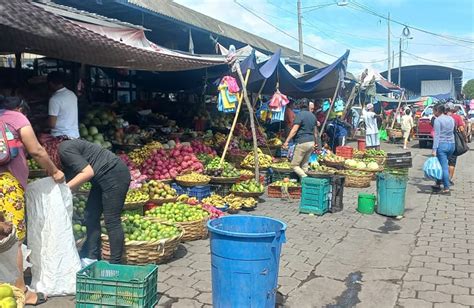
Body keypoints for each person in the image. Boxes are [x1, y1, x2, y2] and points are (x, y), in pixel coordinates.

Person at [0, 96, 64, 305]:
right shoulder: (16, 117)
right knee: (12, 238)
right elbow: (36, 150)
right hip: (7, 185)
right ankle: (21, 291)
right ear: (20, 109)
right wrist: (54, 171)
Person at [58, 139, 130, 265]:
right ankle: (92, 257)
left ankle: (115, 264)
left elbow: (88, 173)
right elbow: (75, 181)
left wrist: (64, 190)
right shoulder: (65, 153)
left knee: (112, 220)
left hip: (115, 174)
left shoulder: (65, 150)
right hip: (101, 178)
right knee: (90, 216)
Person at [282, 99, 318, 178]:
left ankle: (306, 178)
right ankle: (304, 186)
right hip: (311, 142)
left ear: (299, 106)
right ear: (308, 106)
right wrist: (316, 143)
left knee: (294, 165)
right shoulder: (313, 116)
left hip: (302, 142)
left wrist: (286, 141)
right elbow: (315, 132)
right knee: (304, 165)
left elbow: (294, 130)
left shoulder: (300, 115)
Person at [47, 72, 79, 139]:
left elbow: (52, 124)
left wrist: (41, 124)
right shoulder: (72, 94)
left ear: (50, 83)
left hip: (61, 137)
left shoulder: (54, 99)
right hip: (75, 135)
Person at [431, 103, 455, 194]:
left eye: (434, 110)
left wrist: (434, 149)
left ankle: (446, 187)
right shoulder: (451, 119)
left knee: (444, 167)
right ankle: (438, 183)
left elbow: (437, 136)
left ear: (437, 111)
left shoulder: (438, 120)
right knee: (443, 165)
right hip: (452, 145)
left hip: (442, 145)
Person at [445, 103, 466, 185]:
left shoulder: (442, 117)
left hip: (443, 142)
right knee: (452, 162)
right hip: (453, 142)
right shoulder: (457, 117)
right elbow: (461, 128)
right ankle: (449, 179)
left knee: (443, 161)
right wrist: (464, 137)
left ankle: (441, 178)